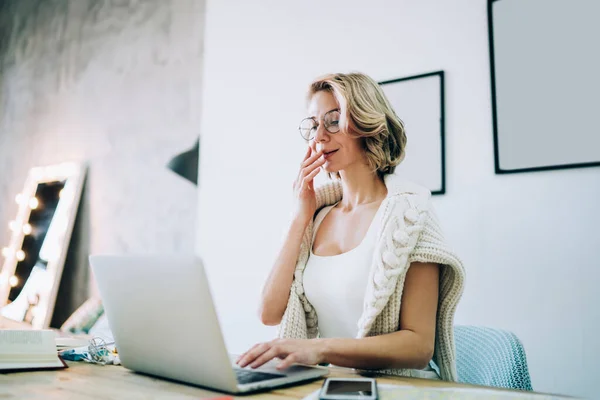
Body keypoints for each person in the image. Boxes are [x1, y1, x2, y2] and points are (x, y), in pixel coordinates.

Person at [236, 72, 465, 381]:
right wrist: (300, 215)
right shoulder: (315, 216)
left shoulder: (411, 215)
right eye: (314, 125)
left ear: (367, 125)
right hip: (336, 385)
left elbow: (418, 346)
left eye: (333, 121)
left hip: (403, 389)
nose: (319, 137)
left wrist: (320, 350)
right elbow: (269, 313)